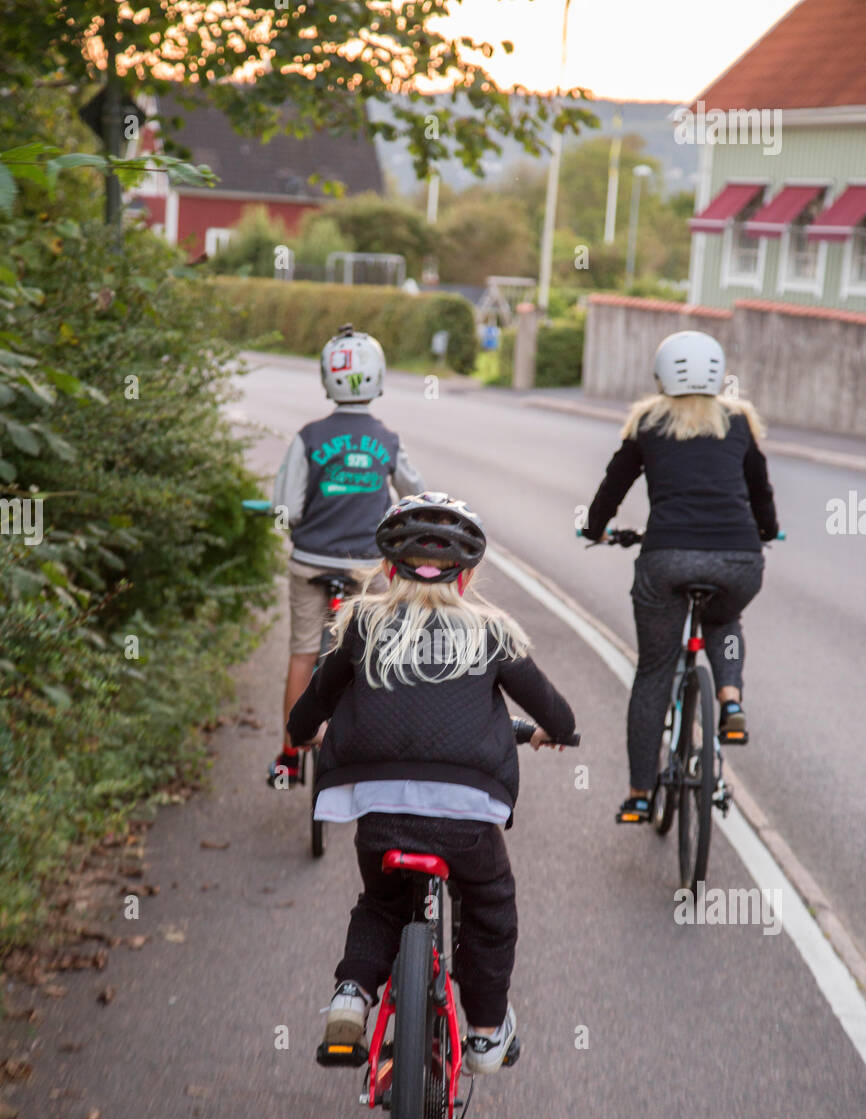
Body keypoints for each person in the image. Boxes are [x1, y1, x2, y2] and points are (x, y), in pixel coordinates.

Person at [287, 493, 576, 1074]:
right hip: (467, 810)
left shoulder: (361, 623)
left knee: (382, 903)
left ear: (387, 566)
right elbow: (562, 720)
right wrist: (546, 732)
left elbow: (307, 714)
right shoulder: (491, 632)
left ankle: (350, 996)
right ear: (467, 573)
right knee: (491, 908)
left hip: (378, 804)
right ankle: (488, 1034)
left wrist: (308, 734)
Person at [581, 330, 778, 824]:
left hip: (665, 560)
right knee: (724, 619)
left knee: (653, 674)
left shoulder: (648, 423)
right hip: (738, 560)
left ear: (661, 376)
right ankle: (729, 699)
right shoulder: (738, 422)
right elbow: (761, 491)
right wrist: (768, 532)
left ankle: (640, 795)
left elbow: (613, 485)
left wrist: (595, 528)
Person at [268, 324, 424, 785]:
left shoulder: (308, 437)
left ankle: (289, 756)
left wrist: (289, 524)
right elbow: (415, 494)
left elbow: (287, 509)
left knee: (301, 654)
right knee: (376, 653)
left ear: (326, 377)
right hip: (366, 566)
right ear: (377, 378)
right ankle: (378, 747)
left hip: (311, 562)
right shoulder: (388, 440)